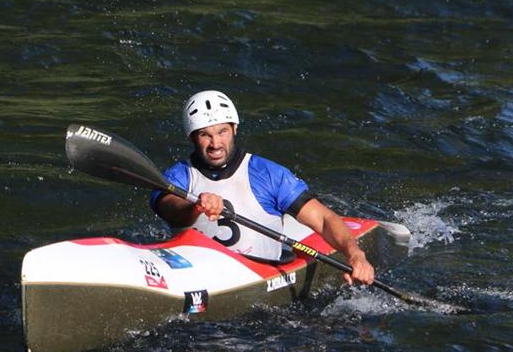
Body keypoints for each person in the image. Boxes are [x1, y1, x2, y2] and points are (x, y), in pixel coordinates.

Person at [150, 90, 376, 285]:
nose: (215, 144)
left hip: (259, 274)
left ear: (235, 129)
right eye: (205, 135)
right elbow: (169, 209)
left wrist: (355, 254)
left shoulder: (268, 174)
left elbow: (325, 219)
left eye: (222, 132)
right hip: (199, 277)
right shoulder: (178, 176)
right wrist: (195, 206)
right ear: (192, 137)